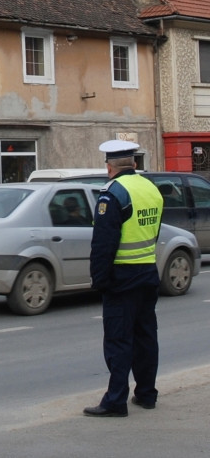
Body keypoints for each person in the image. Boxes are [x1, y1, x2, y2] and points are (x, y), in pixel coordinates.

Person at [83, 140, 163, 417]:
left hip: (122, 277)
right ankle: (147, 394)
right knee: (145, 336)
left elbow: (104, 243)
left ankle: (116, 401)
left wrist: (99, 280)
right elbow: (155, 231)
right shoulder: (150, 189)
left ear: (109, 167)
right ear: (135, 164)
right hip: (148, 272)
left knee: (118, 340)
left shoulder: (112, 193)